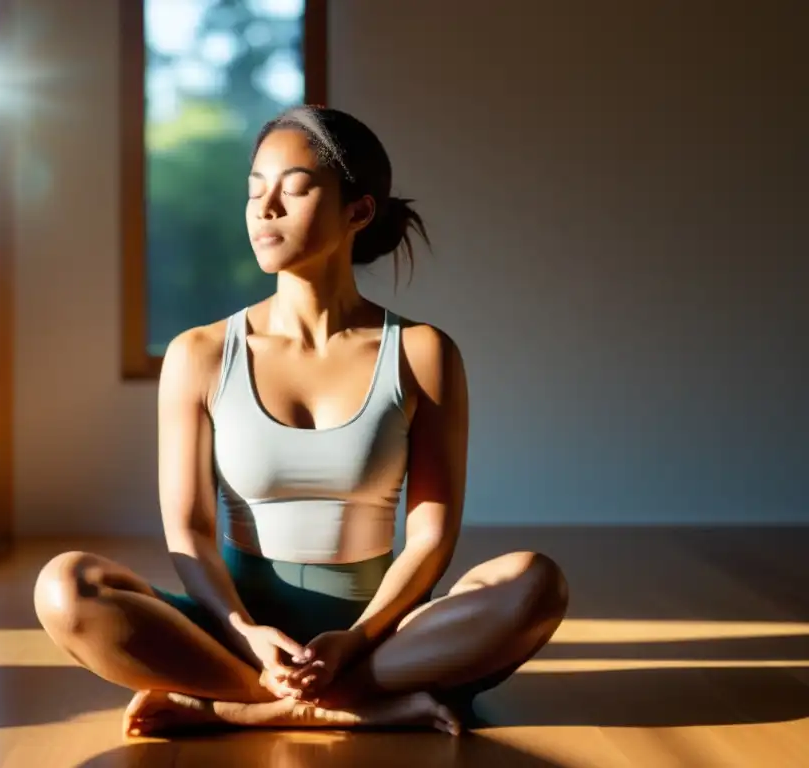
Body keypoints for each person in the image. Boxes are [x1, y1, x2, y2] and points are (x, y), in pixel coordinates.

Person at [34, 106, 569, 738]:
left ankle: (247, 707)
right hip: (237, 635)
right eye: (255, 190)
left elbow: (431, 536)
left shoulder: (422, 352)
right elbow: (190, 531)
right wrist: (250, 635)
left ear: (359, 212)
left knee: (535, 584)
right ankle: (332, 703)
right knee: (64, 588)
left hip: (382, 635)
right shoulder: (199, 354)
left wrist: (357, 637)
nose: (266, 209)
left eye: (294, 189)